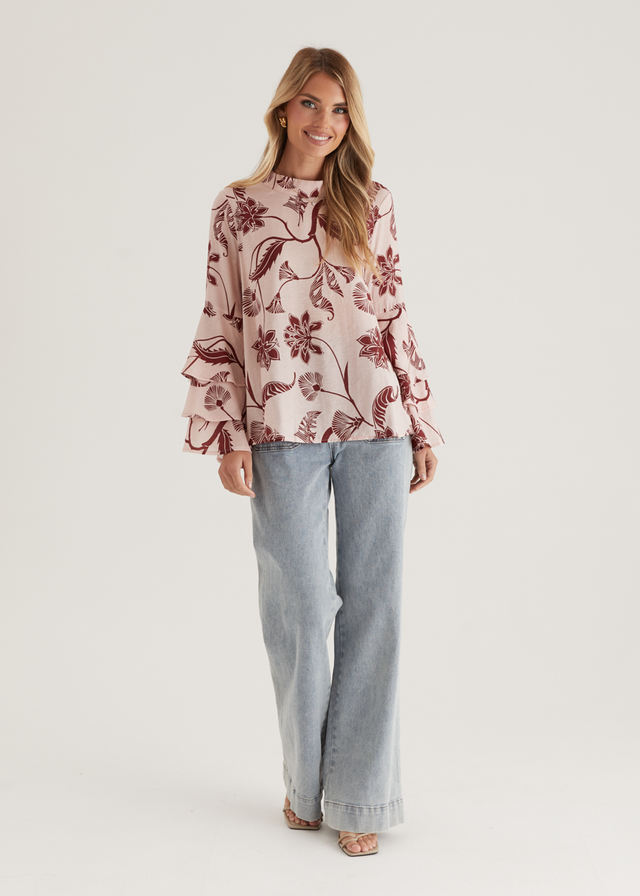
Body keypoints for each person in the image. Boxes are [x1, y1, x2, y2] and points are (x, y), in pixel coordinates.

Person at [180, 47, 444, 857]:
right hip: (280, 426)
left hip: (376, 424)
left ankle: (360, 797)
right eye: (311, 104)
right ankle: (304, 784)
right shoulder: (239, 207)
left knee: (375, 606)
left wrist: (422, 421)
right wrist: (227, 432)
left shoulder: (372, 202)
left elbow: (393, 314)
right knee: (299, 607)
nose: (324, 122)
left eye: (339, 109)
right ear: (284, 108)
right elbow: (223, 319)